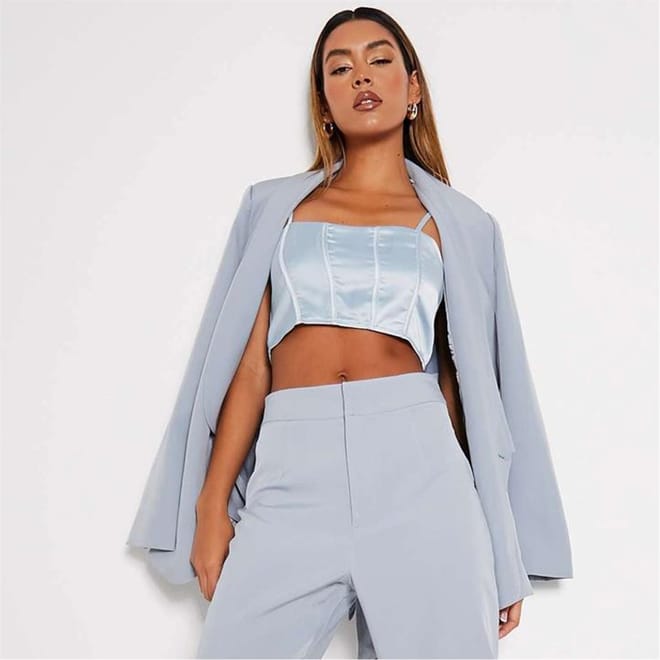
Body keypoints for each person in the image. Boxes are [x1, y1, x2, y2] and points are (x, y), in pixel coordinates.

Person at [127, 7, 573, 659]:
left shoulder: (462, 224)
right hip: (290, 474)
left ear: (413, 88)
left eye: (379, 60)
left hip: (421, 476)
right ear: (325, 102)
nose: (361, 75)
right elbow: (250, 367)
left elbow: (465, 385)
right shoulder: (274, 208)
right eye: (340, 68)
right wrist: (211, 505)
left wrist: (498, 543)